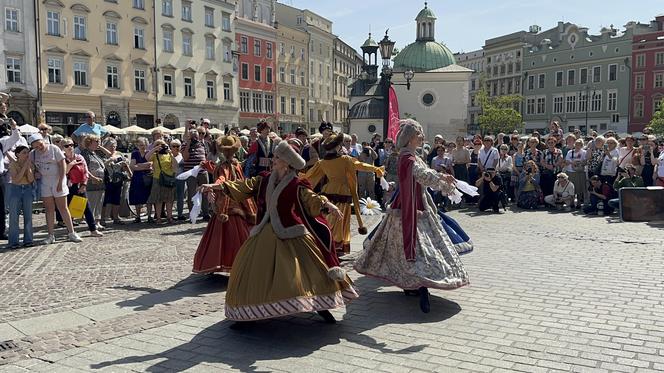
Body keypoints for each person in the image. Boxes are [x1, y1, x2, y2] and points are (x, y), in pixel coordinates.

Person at [218, 140, 357, 324]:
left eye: (277, 157)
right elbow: (245, 186)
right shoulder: (265, 178)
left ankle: (320, 306)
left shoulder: (296, 183)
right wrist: (217, 186)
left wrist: (326, 203)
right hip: (264, 231)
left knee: (308, 272)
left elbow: (310, 198)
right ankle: (247, 313)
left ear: (286, 161)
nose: (273, 160)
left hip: (291, 232)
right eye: (274, 156)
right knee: (254, 272)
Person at [354, 119, 470, 314]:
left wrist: (444, 179)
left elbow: (427, 173)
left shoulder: (414, 156)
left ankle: (413, 285)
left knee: (413, 248)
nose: (422, 138)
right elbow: (423, 175)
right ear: (409, 139)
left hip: (418, 205)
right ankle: (419, 286)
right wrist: (442, 178)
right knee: (414, 248)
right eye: (418, 135)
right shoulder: (407, 158)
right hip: (408, 209)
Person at [305, 133, 384, 255]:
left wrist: (297, 178)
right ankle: (336, 244)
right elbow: (360, 165)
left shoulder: (322, 162)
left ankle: (329, 241)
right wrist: (376, 169)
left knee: (330, 217)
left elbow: (309, 176)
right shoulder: (345, 159)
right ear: (337, 146)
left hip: (328, 190)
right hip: (342, 190)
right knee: (341, 218)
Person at [194, 136, 256, 273]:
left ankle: (223, 262)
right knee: (240, 233)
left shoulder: (226, 166)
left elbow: (222, 180)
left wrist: (211, 185)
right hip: (239, 200)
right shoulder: (236, 164)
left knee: (225, 235)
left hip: (227, 203)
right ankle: (243, 263)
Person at [29, 134, 82, 243]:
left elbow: (62, 166)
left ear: (43, 141)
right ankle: (50, 235)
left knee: (63, 208)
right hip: (45, 182)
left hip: (58, 180)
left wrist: (60, 182)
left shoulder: (54, 149)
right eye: (36, 147)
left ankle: (71, 232)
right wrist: (35, 174)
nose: (39, 148)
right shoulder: (33, 154)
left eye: (40, 145)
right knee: (49, 209)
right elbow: (32, 167)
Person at [62, 138, 103, 237]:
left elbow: (85, 171)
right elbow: (63, 173)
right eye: (67, 146)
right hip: (67, 186)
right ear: (62, 148)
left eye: (71, 145)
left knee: (86, 208)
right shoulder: (62, 159)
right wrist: (71, 165)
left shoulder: (79, 157)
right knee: (68, 209)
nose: (70, 147)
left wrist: (84, 184)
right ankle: (70, 231)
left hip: (79, 185)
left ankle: (93, 230)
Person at [7, 145, 34, 248]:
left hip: (27, 189)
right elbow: (16, 179)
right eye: (24, 153)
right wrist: (24, 167)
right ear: (17, 154)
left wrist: (28, 168)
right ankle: (14, 242)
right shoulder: (13, 164)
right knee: (14, 216)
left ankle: (28, 240)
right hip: (16, 189)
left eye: (27, 152)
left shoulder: (30, 164)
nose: (27, 155)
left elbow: (31, 179)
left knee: (28, 216)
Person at [0, 112, 21, 240]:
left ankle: (1, 231)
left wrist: (13, 126)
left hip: (0, 177)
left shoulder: (1, 141)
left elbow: (15, 138)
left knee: (1, 206)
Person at [147, 139, 178, 224]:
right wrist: (154, 149)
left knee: (169, 199)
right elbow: (146, 158)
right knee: (158, 199)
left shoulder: (169, 154)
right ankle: (158, 218)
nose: (161, 147)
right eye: (158, 145)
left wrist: (171, 154)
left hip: (169, 178)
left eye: (162, 145)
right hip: (157, 178)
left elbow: (175, 166)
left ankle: (169, 217)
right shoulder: (154, 155)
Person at [182, 127, 210, 221]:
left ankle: (205, 213)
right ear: (189, 137)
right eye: (192, 137)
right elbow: (185, 157)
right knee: (192, 194)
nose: (194, 138)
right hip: (191, 173)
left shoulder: (203, 144)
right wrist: (189, 144)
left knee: (205, 192)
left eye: (196, 137)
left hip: (202, 172)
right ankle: (192, 214)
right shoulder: (185, 145)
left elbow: (205, 157)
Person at [80, 135, 106, 225]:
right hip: (91, 183)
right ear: (89, 142)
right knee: (92, 203)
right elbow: (84, 169)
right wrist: (93, 178)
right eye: (96, 141)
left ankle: (97, 222)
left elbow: (109, 155)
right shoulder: (85, 154)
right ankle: (92, 223)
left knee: (99, 202)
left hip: (101, 183)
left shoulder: (96, 153)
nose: (99, 143)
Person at [128, 137, 154, 223]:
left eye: (144, 145)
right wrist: (144, 166)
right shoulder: (135, 153)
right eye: (140, 145)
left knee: (148, 197)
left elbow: (150, 164)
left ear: (147, 145)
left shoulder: (149, 153)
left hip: (147, 177)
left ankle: (149, 216)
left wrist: (139, 165)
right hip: (137, 178)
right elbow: (132, 166)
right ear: (137, 145)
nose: (142, 147)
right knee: (137, 197)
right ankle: (138, 216)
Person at [169, 139, 186, 221]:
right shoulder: (167, 155)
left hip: (181, 178)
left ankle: (180, 214)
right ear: (170, 147)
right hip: (170, 178)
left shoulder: (182, 155)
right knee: (170, 197)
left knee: (180, 197)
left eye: (178, 146)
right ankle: (169, 214)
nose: (176, 148)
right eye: (174, 146)